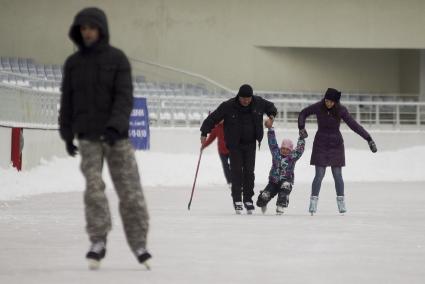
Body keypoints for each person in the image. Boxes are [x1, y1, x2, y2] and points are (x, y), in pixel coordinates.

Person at [59, 7, 151, 269]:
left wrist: (115, 125)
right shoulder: (73, 63)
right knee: (94, 190)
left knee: (130, 192)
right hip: (87, 137)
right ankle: (98, 240)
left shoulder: (118, 59)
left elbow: (124, 98)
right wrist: (67, 132)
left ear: (101, 29)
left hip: (116, 138)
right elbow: (67, 99)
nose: (87, 32)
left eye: (92, 27)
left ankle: (139, 243)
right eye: (83, 28)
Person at [297, 88, 377, 215]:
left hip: (336, 144)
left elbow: (354, 125)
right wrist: (301, 127)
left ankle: (341, 201)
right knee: (319, 175)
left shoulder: (341, 110)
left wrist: (369, 139)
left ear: (335, 102)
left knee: (337, 175)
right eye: (327, 101)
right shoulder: (319, 106)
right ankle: (313, 202)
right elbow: (303, 113)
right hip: (321, 144)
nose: (328, 103)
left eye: (331, 102)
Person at [200, 84, 277, 214]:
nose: (246, 101)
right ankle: (237, 199)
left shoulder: (258, 102)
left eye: (248, 98)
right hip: (234, 145)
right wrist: (204, 132)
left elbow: (271, 108)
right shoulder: (228, 106)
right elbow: (213, 118)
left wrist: (271, 118)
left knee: (249, 172)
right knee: (236, 171)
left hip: (251, 143)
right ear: (238, 97)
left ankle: (248, 199)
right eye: (243, 98)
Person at [256, 121, 305, 215]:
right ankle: (263, 203)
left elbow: (299, 150)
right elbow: (272, 142)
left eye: (287, 149)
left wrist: (302, 138)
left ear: (291, 150)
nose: (285, 151)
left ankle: (281, 205)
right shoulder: (276, 153)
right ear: (280, 148)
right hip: (273, 182)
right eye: (283, 148)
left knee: (285, 187)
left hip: (285, 181)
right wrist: (270, 129)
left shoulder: (292, 157)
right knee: (264, 197)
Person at [201, 120, 232, 187]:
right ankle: (230, 182)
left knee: (234, 166)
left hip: (231, 150)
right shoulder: (216, 128)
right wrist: (204, 146)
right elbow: (211, 138)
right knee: (225, 166)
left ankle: (236, 180)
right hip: (222, 151)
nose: (221, 121)